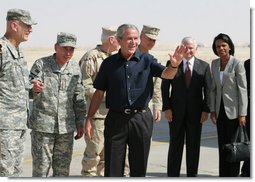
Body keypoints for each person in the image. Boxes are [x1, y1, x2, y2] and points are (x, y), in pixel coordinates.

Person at [84, 23, 186, 177]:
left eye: (136, 38)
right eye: (129, 38)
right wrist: (89, 118)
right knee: (112, 167)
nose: (133, 42)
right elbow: (99, 93)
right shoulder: (109, 64)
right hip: (116, 119)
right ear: (119, 40)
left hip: (141, 119)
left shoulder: (147, 60)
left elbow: (167, 74)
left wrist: (174, 65)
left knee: (139, 167)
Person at [29, 32, 86, 177]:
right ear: (56, 47)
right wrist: (34, 89)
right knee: (41, 170)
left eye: (71, 49)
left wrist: (80, 122)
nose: (68, 52)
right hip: (43, 128)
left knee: (62, 172)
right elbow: (29, 88)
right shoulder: (41, 64)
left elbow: (79, 98)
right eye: (65, 48)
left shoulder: (74, 69)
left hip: (65, 129)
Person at [161, 37, 212, 177]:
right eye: (185, 47)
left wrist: (206, 110)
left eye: (191, 48)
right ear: (180, 48)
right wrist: (167, 108)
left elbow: (208, 90)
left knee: (193, 146)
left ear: (196, 49)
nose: (188, 50)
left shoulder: (204, 66)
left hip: (196, 114)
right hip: (175, 113)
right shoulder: (171, 64)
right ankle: (172, 176)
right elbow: (164, 88)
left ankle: (192, 176)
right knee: (175, 145)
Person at [0, 8, 37, 177]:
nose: (30, 29)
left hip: (18, 125)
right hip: (4, 127)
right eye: (27, 26)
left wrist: (32, 87)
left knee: (15, 173)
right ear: (14, 25)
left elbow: (14, 85)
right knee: (4, 173)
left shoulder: (18, 52)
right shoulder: (1, 50)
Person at [79, 26, 119, 177]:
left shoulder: (115, 57)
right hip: (96, 115)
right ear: (111, 39)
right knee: (93, 155)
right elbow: (85, 84)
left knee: (106, 156)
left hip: (113, 114)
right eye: (119, 38)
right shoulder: (91, 57)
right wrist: (108, 95)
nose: (121, 42)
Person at [210, 33, 247, 177]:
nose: (221, 48)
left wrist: (242, 113)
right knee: (222, 146)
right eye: (218, 46)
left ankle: (233, 175)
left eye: (223, 45)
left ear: (229, 47)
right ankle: (223, 175)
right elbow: (213, 89)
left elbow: (242, 90)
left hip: (234, 112)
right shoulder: (214, 63)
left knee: (233, 146)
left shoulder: (237, 64)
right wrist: (213, 109)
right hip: (219, 111)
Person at [139, 25, 162, 122]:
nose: (151, 43)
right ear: (141, 37)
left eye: (154, 40)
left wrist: (157, 106)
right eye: (149, 39)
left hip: (145, 109)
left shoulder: (152, 61)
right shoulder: (129, 56)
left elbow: (156, 86)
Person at [240, 58, 250, 177]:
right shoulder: (248, 63)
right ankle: (247, 169)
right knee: (250, 141)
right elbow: (243, 88)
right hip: (250, 108)